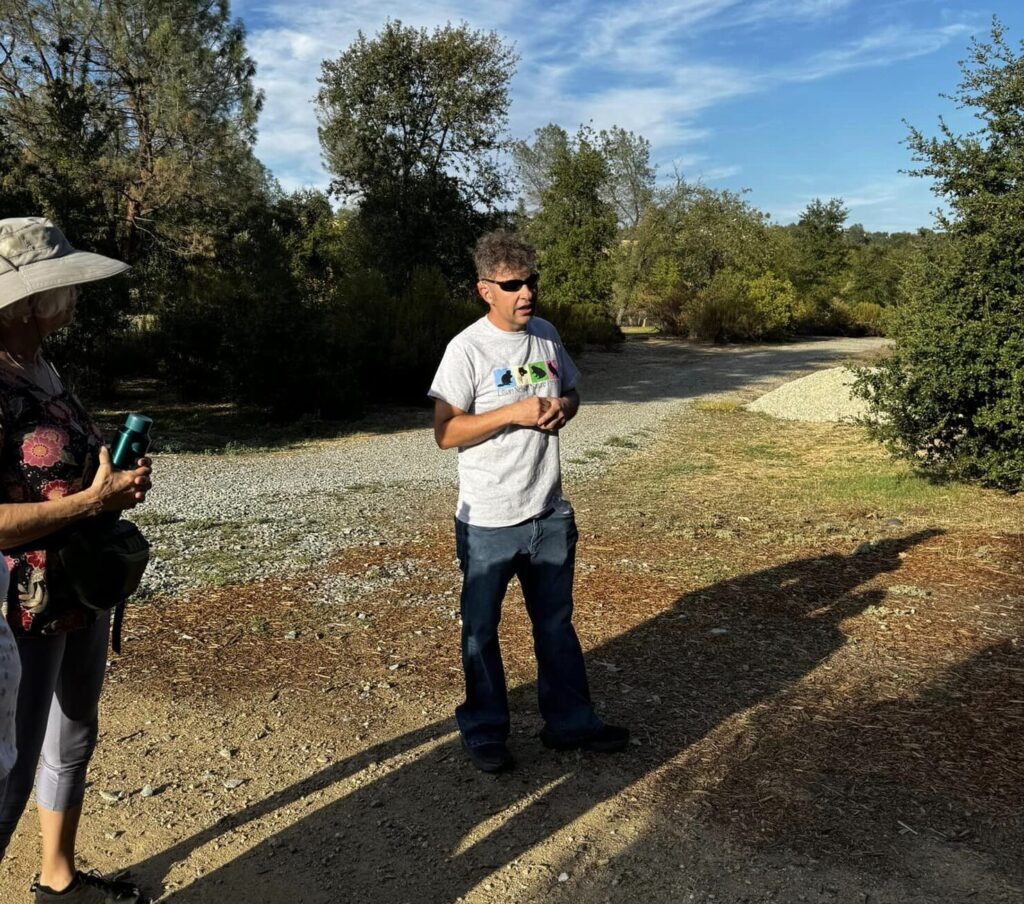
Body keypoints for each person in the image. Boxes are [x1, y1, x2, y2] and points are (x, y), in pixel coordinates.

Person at [429, 230, 628, 773]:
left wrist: (564, 406)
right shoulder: (466, 349)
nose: (527, 293)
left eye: (531, 281)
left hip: (549, 513)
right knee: (481, 631)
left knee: (556, 625)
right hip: (489, 521)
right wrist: (511, 413)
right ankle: (486, 731)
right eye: (512, 284)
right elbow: (446, 432)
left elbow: (574, 392)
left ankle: (571, 724)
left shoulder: (546, 336)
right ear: (484, 290)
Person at [0, 217, 152, 903]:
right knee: (9, 765)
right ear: (31, 300)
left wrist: (114, 487)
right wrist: (90, 505)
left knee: (72, 732)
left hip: (78, 591)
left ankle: (56, 879)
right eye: (65, 286)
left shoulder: (42, 365)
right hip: (18, 607)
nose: (75, 297)